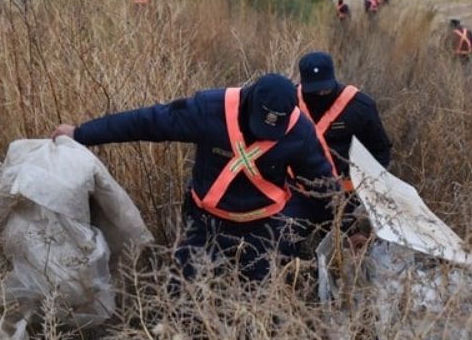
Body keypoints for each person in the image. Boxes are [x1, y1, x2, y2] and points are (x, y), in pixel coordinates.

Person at [51, 74, 336, 282]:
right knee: (182, 295)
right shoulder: (209, 109)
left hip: (264, 229)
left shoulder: (299, 131)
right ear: (249, 101)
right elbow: (146, 122)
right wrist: (81, 134)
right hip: (206, 222)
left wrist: (343, 228)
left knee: (259, 304)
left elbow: (322, 183)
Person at [284, 52, 392, 255]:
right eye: (313, 91)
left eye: (325, 89)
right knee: (285, 241)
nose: (320, 95)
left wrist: (367, 195)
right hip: (296, 192)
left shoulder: (360, 106)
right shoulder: (290, 102)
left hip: (344, 196)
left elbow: (381, 152)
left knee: (348, 251)